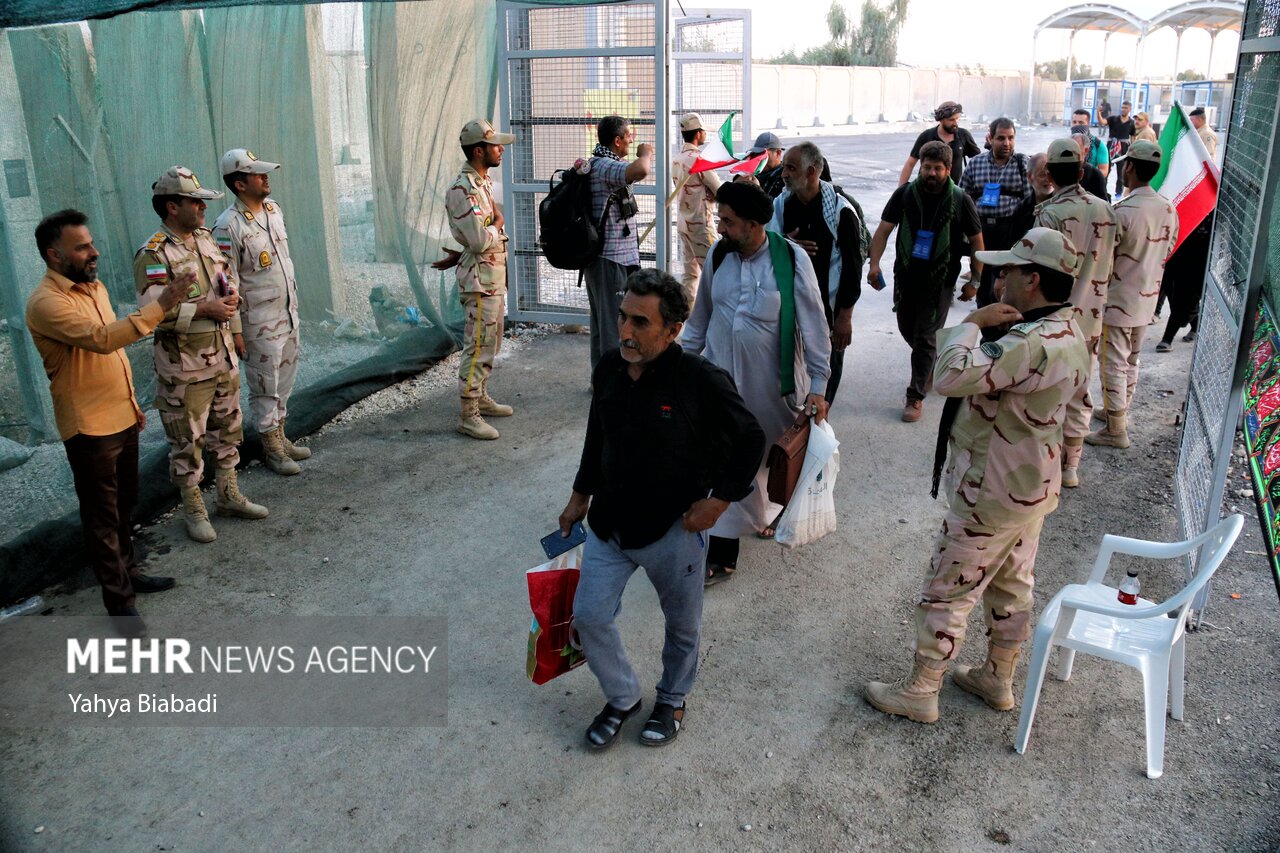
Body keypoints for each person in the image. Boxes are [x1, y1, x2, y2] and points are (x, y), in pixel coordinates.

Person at [864, 227, 1090, 724]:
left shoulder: (1029, 343)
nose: (999, 276)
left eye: (1009, 269)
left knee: (949, 587)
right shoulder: (1073, 328)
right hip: (1032, 486)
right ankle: (998, 677)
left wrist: (971, 323)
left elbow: (947, 377)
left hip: (992, 490)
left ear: (1032, 280)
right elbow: (1077, 411)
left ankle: (922, 689)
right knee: (1012, 583)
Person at [559, 269, 765, 750]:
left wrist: (717, 504)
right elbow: (598, 435)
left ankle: (672, 697)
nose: (625, 331)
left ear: (672, 331)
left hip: (673, 530)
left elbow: (751, 437)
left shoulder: (699, 380)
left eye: (640, 323)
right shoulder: (610, 367)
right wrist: (578, 497)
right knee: (589, 616)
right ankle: (623, 696)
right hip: (610, 525)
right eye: (623, 317)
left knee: (682, 625)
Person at [26, 210, 186, 638]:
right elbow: (103, 341)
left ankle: (129, 574)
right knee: (101, 517)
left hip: (120, 416)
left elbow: (113, 344)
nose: (94, 251)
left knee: (124, 507)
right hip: (89, 427)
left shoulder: (92, 287)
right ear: (54, 255)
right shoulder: (46, 303)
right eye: (82, 247)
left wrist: (132, 406)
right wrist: (162, 305)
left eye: (91, 242)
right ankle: (120, 605)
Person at [682, 181, 831, 582]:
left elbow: (815, 328)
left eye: (728, 222)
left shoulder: (792, 260)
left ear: (752, 225)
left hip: (772, 386)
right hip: (721, 384)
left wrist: (818, 385)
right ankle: (723, 550)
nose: (721, 227)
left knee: (767, 459)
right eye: (720, 219)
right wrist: (675, 364)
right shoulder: (718, 255)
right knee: (723, 461)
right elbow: (701, 319)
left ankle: (767, 513)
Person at [134, 166, 268, 543]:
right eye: (196, 201)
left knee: (228, 430)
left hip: (222, 356)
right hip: (185, 367)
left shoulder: (206, 240)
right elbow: (153, 315)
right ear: (172, 206)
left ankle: (227, 495)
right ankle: (194, 507)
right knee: (187, 440)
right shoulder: (154, 254)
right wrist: (205, 310)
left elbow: (227, 283)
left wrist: (233, 314)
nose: (203, 207)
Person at [869, 140, 984, 423]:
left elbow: (976, 240)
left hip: (941, 280)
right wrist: (873, 265)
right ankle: (929, 361)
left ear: (948, 169)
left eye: (937, 168)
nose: (931, 173)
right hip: (906, 276)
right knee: (908, 328)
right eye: (927, 167)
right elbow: (883, 231)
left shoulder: (960, 200)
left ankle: (915, 395)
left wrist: (976, 280)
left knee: (925, 336)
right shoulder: (905, 195)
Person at [213, 148, 310, 472]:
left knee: (285, 380)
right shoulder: (228, 226)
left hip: (287, 314)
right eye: (257, 173)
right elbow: (227, 284)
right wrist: (236, 332)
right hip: (259, 323)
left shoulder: (273, 210)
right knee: (265, 385)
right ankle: (271, 447)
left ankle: (281, 436)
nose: (265, 177)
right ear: (240, 184)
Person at [1034, 139, 1121, 488]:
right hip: (1091, 319)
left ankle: (1045, 466)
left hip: (1055, 318)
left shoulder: (1048, 214)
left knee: (1047, 389)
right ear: (1082, 172)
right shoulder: (1107, 211)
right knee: (1080, 390)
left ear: (1050, 174)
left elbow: (1038, 269)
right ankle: (1070, 468)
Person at [1087, 141, 1179, 449]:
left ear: (1130, 167)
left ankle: (1116, 429)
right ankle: (1118, 412)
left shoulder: (1122, 212)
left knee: (1113, 362)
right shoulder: (1168, 208)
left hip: (1118, 301)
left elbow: (1102, 258)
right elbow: (1169, 248)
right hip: (1148, 297)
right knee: (1133, 359)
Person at [430, 119, 517, 441]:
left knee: (490, 343)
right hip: (480, 282)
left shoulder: (480, 182)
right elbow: (480, 240)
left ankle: (480, 395)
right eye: (496, 146)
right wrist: (499, 223)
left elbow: (474, 241)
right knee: (478, 346)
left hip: (489, 276)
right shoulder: (462, 189)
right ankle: (469, 414)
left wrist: (464, 251)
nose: (501, 151)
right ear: (479, 150)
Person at [767, 141, 864, 404]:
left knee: (826, 371)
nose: (784, 174)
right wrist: (788, 244)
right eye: (784, 167)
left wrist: (845, 318)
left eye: (791, 168)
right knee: (792, 369)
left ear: (812, 172)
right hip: (791, 304)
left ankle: (820, 423)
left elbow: (853, 269)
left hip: (828, 309)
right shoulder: (782, 205)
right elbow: (765, 245)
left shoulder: (842, 213)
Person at [581, 115, 653, 370]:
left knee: (603, 324)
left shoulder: (602, 163)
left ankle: (600, 381)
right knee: (613, 327)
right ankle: (613, 384)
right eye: (628, 135)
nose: (632, 140)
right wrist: (645, 153)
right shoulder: (604, 166)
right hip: (609, 259)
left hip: (611, 258)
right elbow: (640, 170)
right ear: (617, 140)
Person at [959, 118, 1032, 307]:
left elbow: (1030, 201)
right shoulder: (975, 164)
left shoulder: (1023, 163)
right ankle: (986, 331)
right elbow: (961, 198)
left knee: (1006, 281)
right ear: (990, 138)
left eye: (1010, 138)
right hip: (981, 231)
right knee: (982, 282)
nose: (1006, 143)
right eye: (1001, 138)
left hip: (1010, 231)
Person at [672, 113, 723, 298]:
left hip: (684, 223)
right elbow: (719, 190)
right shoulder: (701, 160)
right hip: (701, 224)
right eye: (704, 132)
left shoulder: (677, 159)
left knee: (690, 275)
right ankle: (713, 318)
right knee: (715, 273)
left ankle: (687, 319)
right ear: (699, 133)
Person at [1157, 213, 1214, 352]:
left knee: (1188, 301)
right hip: (1176, 256)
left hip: (1201, 261)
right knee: (1175, 298)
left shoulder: (1216, 208)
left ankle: (1167, 338)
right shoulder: (1183, 202)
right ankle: (1195, 325)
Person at [898, 101, 981, 187]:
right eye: (951, 120)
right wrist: (900, 191)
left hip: (953, 192)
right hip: (925, 190)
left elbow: (979, 161)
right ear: (941, 120)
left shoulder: (963, 135)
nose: (956, 123)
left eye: (957, 118)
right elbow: (910, 163)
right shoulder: (927, 136)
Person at [1070, 126, 1111, 201]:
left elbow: (1103, 204)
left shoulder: (1095, 174)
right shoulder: (1062, 168)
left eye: (1075, 148)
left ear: (1086, 150)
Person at [1107, 101, 1136, 198]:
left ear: (1129, 109)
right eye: (1122, 107)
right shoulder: (1113, 119)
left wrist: (1132, 149)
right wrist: (1098, 113)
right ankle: (1103, 190)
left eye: (1125, 108)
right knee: (1106, 170)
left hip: (1123, 149)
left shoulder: (1131, 123)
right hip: (1111, 147)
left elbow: (1132, 137)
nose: (1123, 109)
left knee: (1121, 173)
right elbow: (1103, 122)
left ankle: (1118, 193)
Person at [1070, 109, 1111, 179]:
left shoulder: (1098, 145)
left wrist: (1086, 176)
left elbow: (1104, 171)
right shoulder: (1065, 143)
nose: (1077, 125)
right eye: (1074, 122)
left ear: (1088, 124)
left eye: (1081, 122)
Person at [749, 131, 786, 198]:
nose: (759, 158)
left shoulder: (785, 177)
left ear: (778, 153)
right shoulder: (753, 175)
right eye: (756, 154)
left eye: (763, 154)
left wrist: (757, 190)